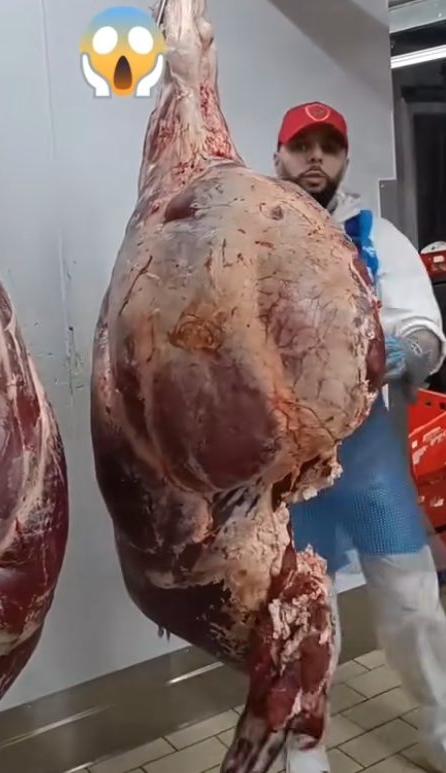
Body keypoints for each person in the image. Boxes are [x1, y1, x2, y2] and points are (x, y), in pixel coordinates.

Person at [274, 101, 446, 773]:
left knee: (411, 598)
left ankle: (439, 723)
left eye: (329, 146)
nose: (315, 157)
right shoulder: (253, 231)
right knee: (299, 614)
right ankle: (303, 751)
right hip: (284, 460)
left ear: (343, 157)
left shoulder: (375, 234)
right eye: (301, 146)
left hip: (366, 450)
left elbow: (423, 324)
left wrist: (409, 344)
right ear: (279, 153)